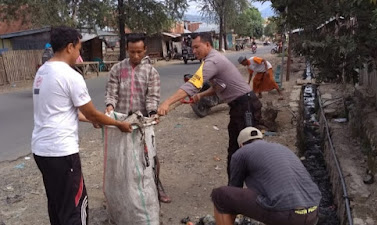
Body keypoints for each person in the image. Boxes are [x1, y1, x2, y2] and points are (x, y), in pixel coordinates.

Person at [32, 26, 132, 225]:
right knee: (75, 208)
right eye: (79, 48)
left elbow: (62, 111)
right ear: (70, 47)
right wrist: (117, 123)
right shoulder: (71, 76)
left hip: (41, 151)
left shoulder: (42, 71)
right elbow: (91, 111)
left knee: (57, 203)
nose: (80, 53)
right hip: (62, 152)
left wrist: (94, 120)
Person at [157, 32, 262, 179]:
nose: (194, 51)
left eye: (196, 47)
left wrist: (167, 102)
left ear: (207, 45)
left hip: (246, 106)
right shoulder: (209, 60)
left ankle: (255, 191)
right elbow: (220, 86)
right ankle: (233, 189)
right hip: (237, 107)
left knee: (250, 149)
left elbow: (194, 83)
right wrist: (200, 95)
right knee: (234, 150)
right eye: (192, 48)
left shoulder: (213, 61)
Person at [104, 34, 171, 203]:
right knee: (122, 156)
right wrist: (110, 107)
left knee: (149, 156)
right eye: (132, 52)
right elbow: (111, 92)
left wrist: (152, 114)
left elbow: (153, 97)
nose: (135, 56)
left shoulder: (151, 72)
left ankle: (156, 186)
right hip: (121, 121)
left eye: (139, 52)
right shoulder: (117, 69)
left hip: (143, 122)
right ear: (127, 49)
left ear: (145, 50)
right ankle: (125, 191)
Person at [211, 127, 322, 225]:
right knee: (272, 197)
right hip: (313, 211)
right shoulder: (281, 148)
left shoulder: (241, 153)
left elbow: (234, 189)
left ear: (241, 145)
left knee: (221, 196)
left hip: (287, 215)